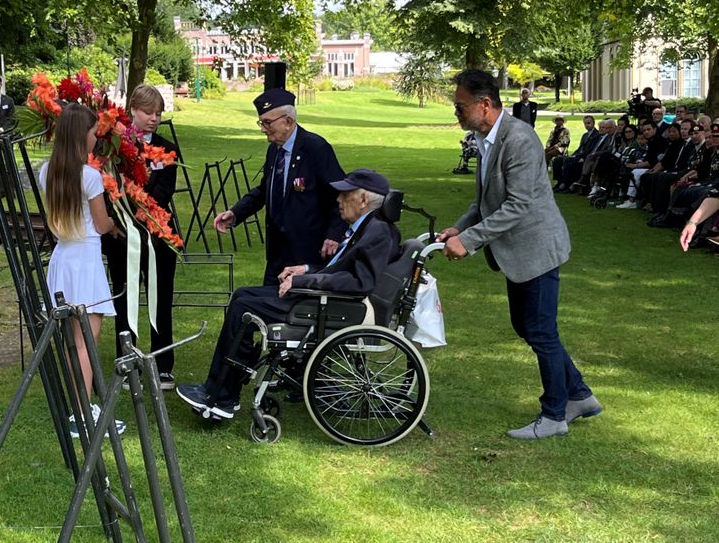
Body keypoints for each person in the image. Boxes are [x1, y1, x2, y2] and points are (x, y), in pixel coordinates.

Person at [437, 69, 599, 440]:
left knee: (541, 330)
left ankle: (555, 415)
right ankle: (579, 395)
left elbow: (518, 206)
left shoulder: (519, 139)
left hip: (537, 248)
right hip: (518, 251)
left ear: (485, 104)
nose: (457, 113)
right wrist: (459, 228)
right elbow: (485, 200)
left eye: (460, 106)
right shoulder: (486, 138)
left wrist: (470, 241)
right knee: (528, 326)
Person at [177, 169, 401, 419]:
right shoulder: (367, 227)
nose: (337, 200)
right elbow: (340, 269)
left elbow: (359, 281)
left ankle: (222, 396)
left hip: (337, 308)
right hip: (327, 300)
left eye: (344, 194)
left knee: (244, 308)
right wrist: (304, 269)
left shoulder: (377, 232)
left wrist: (303, 281)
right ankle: (223, 389)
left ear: (362, 200)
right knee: (241, 295)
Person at [38, 103, 125, 437]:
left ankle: (79, 408)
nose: (95, 138)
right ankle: (83, 415)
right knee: (86, 341)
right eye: (93, 133)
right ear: (81, 136)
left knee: (72, 342)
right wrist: (118, 223)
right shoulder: (89, 176)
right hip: (86, 260)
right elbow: (101, 225)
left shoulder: (48, 170)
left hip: (62, 257)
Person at [213, 88, 345, 285]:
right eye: (261, 122)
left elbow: (339, 194)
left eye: (268, 123)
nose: (263, 129)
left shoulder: (315, 148)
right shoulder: (274, 151)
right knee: (266, 304)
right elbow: (265, 190)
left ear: (288, 121)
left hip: (307, 253)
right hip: (277, 253)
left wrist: (335, 234)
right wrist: (236, 213)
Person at [103, 84, 179, 389]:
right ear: (132, 110)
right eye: (148, 112)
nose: (154, 118)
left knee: (160, 299)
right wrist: (121, 214)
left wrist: (142, 208)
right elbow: (106, 186)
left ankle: (163, 365)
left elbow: (164, 191)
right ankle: (127, 360)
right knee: (125, 298)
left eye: (158, 113)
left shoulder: (166, 147)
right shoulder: (112, 147)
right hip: (122, 237)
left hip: (158, 235)